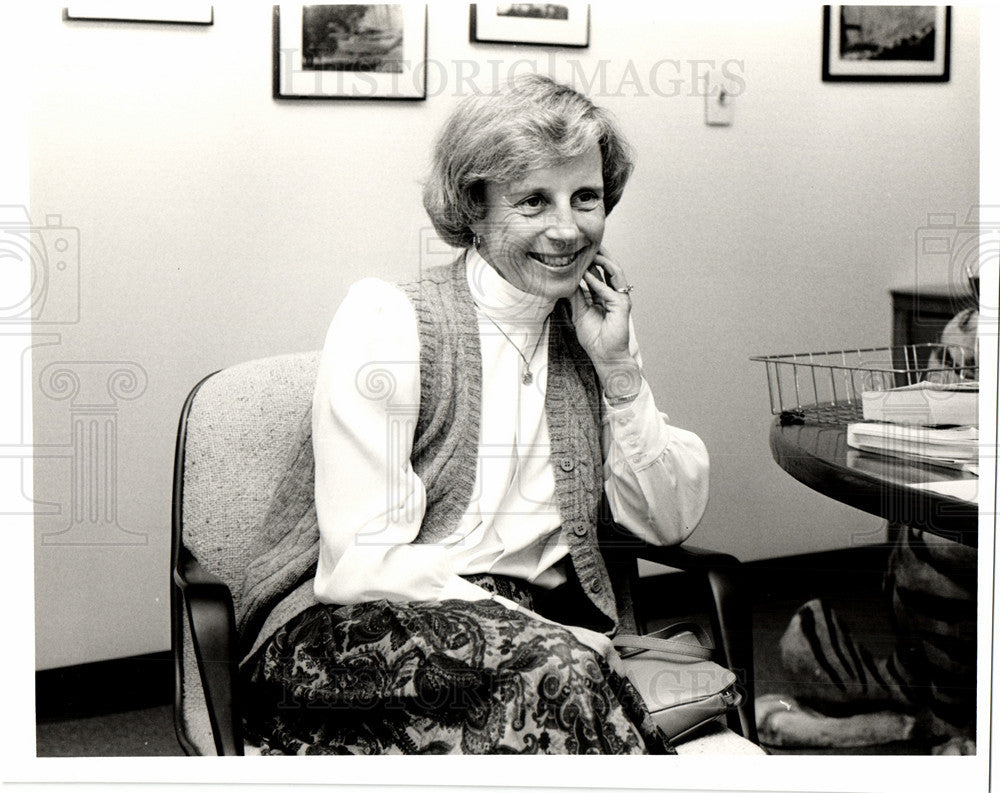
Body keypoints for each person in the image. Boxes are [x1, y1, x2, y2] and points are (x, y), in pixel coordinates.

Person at [239, 74, 710, 755]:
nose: (567, 228)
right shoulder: (391, 318)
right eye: (532, 201)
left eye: (586, 197)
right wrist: (538, 631)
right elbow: (360, 564)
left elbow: (667, 520)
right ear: (475, 207)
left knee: (553, 691)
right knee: (564, 678)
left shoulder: (593, 326)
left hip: (530, 645)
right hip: (353, 633)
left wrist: (620, 374)